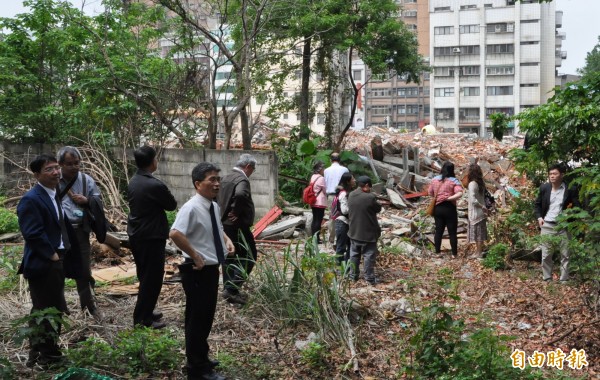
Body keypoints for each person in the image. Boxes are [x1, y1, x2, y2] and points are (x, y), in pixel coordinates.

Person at [169, 162, 235, 380]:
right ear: (198, 184)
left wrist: (226, 240)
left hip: (210, 268)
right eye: (211, 180)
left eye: (218, 179)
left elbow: (217, 227)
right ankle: (197, 369)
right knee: (197, 319)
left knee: (204, 317)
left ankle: (201, 358)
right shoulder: (191, 207)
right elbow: (176, 233)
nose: (217, 183)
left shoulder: (212, 205)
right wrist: (195, 255)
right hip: (197, 270)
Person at [17, 154, 81, 368]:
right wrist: (52, 255)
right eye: (49, 169)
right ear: (36, 175)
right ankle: (50, 357)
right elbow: (32, 233)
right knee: (49, 311)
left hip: (57, 259)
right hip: (44, 263)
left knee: (45, 309)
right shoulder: (31, 199)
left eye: (56, 168)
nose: (56, 172)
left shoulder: (53, 194)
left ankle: (37, 353)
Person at [127, 146, 177, 329]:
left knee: (145, 275)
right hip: (151, 236)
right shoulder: (154, 184)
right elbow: (171, 205)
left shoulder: (134, 181)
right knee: (152, 278)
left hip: (137, 234)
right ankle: (142, 318)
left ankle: (147, 310)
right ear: (152, 162)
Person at [57, 146, 103, 320]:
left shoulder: (86, 180)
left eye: (77, 163)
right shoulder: (54, 180)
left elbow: (98, 200)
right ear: (60, 164)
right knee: (59, 269)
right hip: (60, 233)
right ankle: (60, 308)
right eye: (69, 164)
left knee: (84, 270)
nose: (74, 167)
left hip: (80, 231)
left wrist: (87, 200)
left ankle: (88, 306)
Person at [216, 153, 258, 305]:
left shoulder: (226, 177)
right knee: (249, 256)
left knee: (230, 257)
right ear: (247, 167)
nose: (252, 172)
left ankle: (229, 289)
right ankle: (232, 289)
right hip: (238, 226)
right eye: (252, 169)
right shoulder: (242, 179)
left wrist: (223, 212)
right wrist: (236, 211)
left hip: (225, 225)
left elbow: (216, 197)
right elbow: (240, 194)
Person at [534, 164, 578, 282]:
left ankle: (564, 279)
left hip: (564, 226)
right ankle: (547, 278)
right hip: (547, 224)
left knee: (565, 254)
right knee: (546, 254)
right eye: (550, 174)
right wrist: (539, 218)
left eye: (555, 174)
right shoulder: (544, 188)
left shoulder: (570, 189)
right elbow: (537, 205)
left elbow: (577, 206)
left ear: (562, 175)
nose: (552, 176)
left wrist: (571, 218)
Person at [347, 175, 382, 285]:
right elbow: (378, 208)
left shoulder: (351, 195)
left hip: (353, 231)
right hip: (368, 233)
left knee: (354, 255)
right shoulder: (370, 197)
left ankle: (353, 276)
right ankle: (369, 278)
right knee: (368, 256)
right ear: (366, 186)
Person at [428, 161, 463, 258]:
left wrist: (438, 196)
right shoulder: (454, 181)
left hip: (438, 208)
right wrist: (449, 198)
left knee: (438, 230)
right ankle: (454, 254)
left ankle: (437, 252)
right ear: (452, 170)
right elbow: (459, 193)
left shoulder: (434, 179)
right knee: (452, 232)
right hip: (449, 209)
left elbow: (430, 192)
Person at [324, 153, 349, 246]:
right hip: (342, 194)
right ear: (340, 160)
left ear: (331, 160)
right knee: (343, 215)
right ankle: (342, 237)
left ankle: (332, 238)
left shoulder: (326, 170)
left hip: (331, 195)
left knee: (332, 216)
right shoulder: (344, 169)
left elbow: (325, 183)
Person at [466, 163, 488, 257]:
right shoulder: (481, 183)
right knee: (481, 234)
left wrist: (481, 206)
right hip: (482, 213)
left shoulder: (472, 184)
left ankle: (478, 253)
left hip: (475, 212)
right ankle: (478, 252)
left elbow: (473, 200)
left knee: (478, 234)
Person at [333, 173, 355, 264]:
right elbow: (344, 210)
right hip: (343, 222)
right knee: (341, 246)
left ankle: (345, 265)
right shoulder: (343, 194)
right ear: (348, 181)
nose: (354, 180)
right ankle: (340, 266)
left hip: (344, 222)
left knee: (347, 245)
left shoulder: (344, 192)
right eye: (353, 179)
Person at [310, 161, 327, 244]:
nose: (323, 170)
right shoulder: (321, 178)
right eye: (323, 168)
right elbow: (325, 190)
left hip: (313, 201)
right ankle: (317, 238)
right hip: (320, 201)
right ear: (320, 169)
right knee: (318, 220)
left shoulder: (313, 176)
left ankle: (313, 237)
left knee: (314, 219)